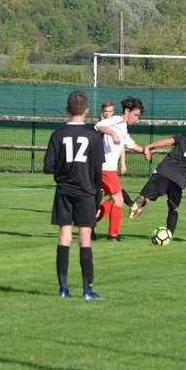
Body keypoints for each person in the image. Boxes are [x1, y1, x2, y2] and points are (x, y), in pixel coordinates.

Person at [44, 91, 105, 300]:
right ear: (86, 110)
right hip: (86, 191)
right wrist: (97, 198)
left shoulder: (57, 135)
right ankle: (87, 290)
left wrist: (63, 171)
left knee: (64, 235)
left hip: (64, 190)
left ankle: (63, 289)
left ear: (67, 109)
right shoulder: (95, 137)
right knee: (85, 238)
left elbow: (48, 167)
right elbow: (97, 172)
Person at [94, 97, 145, 241]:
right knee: (118, 200)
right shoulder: (117, 119)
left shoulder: (122, 126)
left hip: (106, 169)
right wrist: (113, 134)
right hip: (106, 168)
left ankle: (89, 222)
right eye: (135, 115)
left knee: (115, 200)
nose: (136, 119)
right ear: (127, 111)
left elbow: (131, 144)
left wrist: (145, 150)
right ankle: (113, 235)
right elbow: (98, 126)